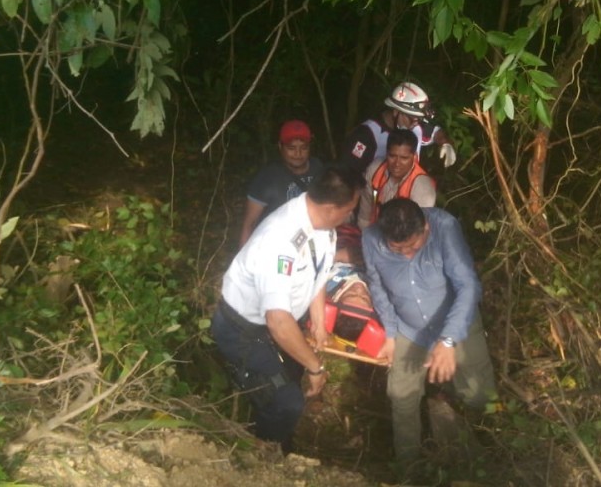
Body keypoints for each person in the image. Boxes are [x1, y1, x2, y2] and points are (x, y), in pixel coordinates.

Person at [211, 166, 365, 453]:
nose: (351, 215)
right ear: (332, 208)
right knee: (286, 400)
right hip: (243, 330)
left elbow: (319, 271)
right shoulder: (280, 239)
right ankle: (265, 459)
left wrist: (319, 322)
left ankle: (283, 443)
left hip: (275, 326)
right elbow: (278, 321)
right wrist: (316, 368)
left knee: (289, 381)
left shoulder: (322, 226)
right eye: (350, 208)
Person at [361, 198, 497, 465]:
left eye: (413, 246)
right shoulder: (370, 239)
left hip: (456, 322)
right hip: (408, 328)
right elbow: (376, 286)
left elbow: (468, 286)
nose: (408, 254)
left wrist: (447, 341)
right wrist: (389, 333)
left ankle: (492, 450)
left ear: (425, 228)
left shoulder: (444, 226)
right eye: (397, 249)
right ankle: (408, 468)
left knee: (480, 394)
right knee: (401, 398)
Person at [239, 120, 324, 246]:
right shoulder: (268, 177)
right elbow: (250, 223)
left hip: (312, 241)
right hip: (277, 244)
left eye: (303, 148)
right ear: (280, 146)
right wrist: (243, 259)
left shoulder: (318, 168)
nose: (298, 154)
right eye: (291, 148)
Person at [341, 82, 456, 174]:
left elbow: (437, 132)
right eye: (412, 118)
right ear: (396, 112)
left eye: (419, 119)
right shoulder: (367, 134)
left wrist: (445, 143)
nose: (415, 124)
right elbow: (347, 174)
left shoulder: (415, 125)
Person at [357, 128, 436, 230]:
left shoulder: (423, 187)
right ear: (386, 154)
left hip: (402, 240)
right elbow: (365, 213)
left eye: (404, 158)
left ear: (415, 157)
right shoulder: (375, 169)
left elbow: (418, 231)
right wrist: (365, 235)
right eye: (392, 156)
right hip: (373, 232)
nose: (397, 164)